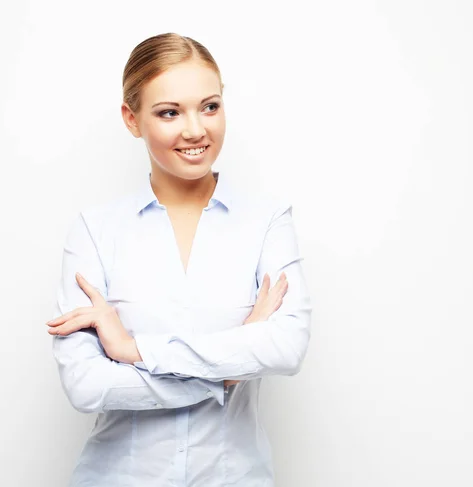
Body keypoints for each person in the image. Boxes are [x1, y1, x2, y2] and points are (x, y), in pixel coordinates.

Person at [46, 32, 312, 487]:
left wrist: (134, 352)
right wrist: (227, 369)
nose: (195, 130)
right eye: (169, 112)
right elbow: (87, 386)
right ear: (132, 119)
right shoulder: (95, 230)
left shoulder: (267, 221)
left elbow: (286, 347)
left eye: (209, 106)